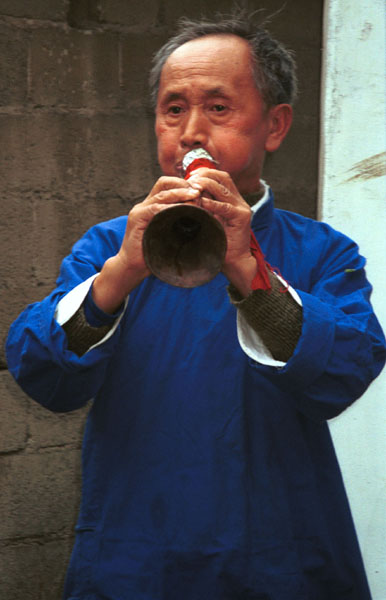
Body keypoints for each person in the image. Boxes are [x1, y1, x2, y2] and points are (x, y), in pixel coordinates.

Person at [6, 12, 386, 600]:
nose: (190, 133)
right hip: (135, 559)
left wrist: (247, 267)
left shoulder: (323, 251)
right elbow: (44, 375)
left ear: (275, 125)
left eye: (218, 107)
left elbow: (345, 372)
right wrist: (123, 271)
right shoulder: (110, 246)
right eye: (173, 109)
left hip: (282, 558)